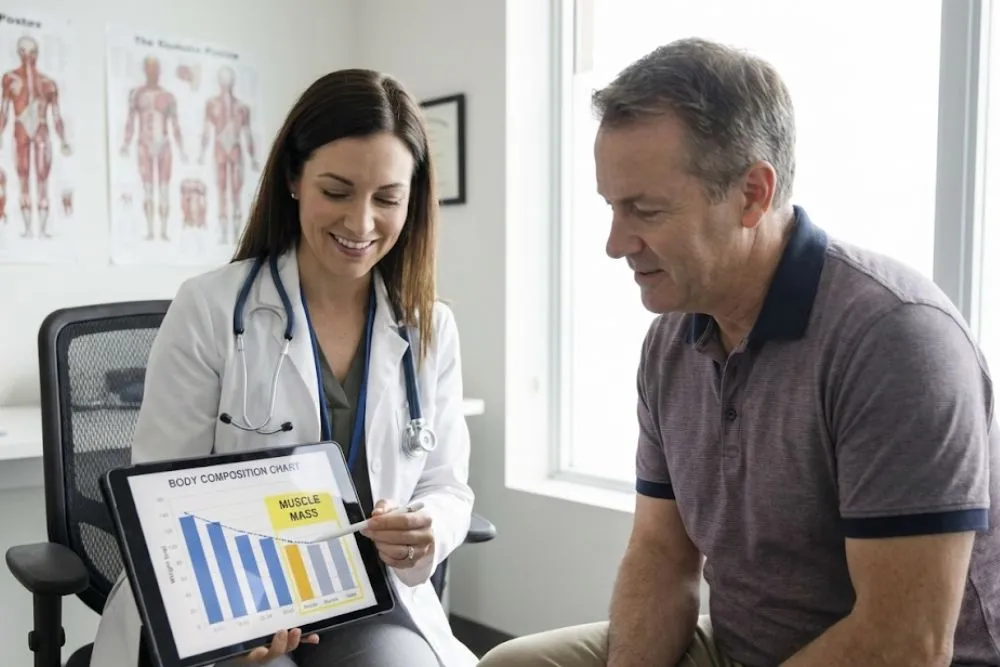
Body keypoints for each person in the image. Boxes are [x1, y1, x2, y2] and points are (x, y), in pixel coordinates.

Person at [479, 37, 1000, 667]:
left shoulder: (896, 340)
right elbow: (662, 555)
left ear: (752, 193)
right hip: (738, 644)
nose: (615, 244)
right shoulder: (672, 339)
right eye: (612, 207)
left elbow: (905, 641)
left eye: (644, 209)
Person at [90, 68, 478, 667]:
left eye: (387, 199)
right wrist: (236, 609)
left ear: (413, 199)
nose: (361, 223)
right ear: (295, 179)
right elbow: (161, 491)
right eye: (337, 191)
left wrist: (426, 528)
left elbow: (447, 485)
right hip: (226, 594)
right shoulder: (211, 308)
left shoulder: (428, 327)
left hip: (363, 595)